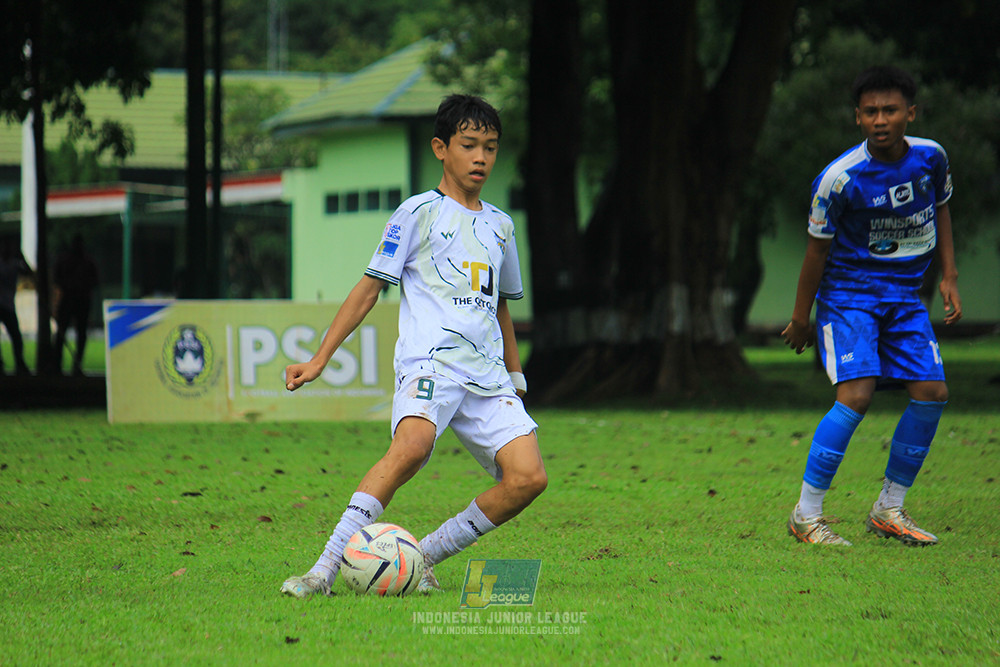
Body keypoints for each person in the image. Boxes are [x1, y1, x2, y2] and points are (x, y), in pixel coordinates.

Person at [280, 94, 547, 597]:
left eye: (490, 147)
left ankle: (419, 556)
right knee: (412, 448)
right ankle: (324, 570)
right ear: (440, 148)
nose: (481, 158)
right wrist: (320, 360)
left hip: (488, 377)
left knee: (529, 478)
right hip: (431, 365)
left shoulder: (501, 226)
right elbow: (368, 287)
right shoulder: (417, 212)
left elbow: (502, 306)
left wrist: (515, 376)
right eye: (469, 145)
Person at [782, 66, 962, 547]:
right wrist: (802, 318)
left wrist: (949, 275)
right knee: (856, 396)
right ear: (857, 119)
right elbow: (815, 252)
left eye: (890, 110)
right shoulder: (839, 180)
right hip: (849, 297)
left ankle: (889, 508)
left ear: (911, 113)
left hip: (904, 297)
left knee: (932, 391)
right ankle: (807, 514)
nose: (881, 119)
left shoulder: (931, 158)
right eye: (870, 111)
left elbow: (941, 208)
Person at [53, 234, 100, 376]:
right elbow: (57, 278)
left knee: (80, 333)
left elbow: (95, 281)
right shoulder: (66, 261)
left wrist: (81, 287)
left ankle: (77, 363)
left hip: (81, 301)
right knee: (62, 332)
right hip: (69, 299)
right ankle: (57, 363)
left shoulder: (87, 262)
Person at [0, 238, 32, 376]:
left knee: (15, 335)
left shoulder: (14, 264)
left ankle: (19, 362)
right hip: (2, 303)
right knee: (15, 334)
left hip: (8, 304)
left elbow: (29, 273)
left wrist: (22, 259)